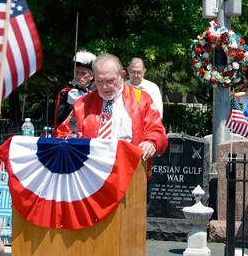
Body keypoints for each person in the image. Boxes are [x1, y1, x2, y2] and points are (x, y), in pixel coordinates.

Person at [56, 53, 168, 181]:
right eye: (99, 81)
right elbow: (60, 135)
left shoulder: (141, 100)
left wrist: (151, 143)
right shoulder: (82, 104)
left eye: (109, 81)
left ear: (122, 76)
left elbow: (158, 132)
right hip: (91, 177)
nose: (104, 87)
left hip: (131, 175)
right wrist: (67, 139)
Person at [53, 50, 97, 133]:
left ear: (91, 76)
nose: (79, 76)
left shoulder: (97, 93)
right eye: (77, 72)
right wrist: (69, 105)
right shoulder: (65, 92)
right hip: (70, 133)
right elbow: (59, 120)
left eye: (83, 73)